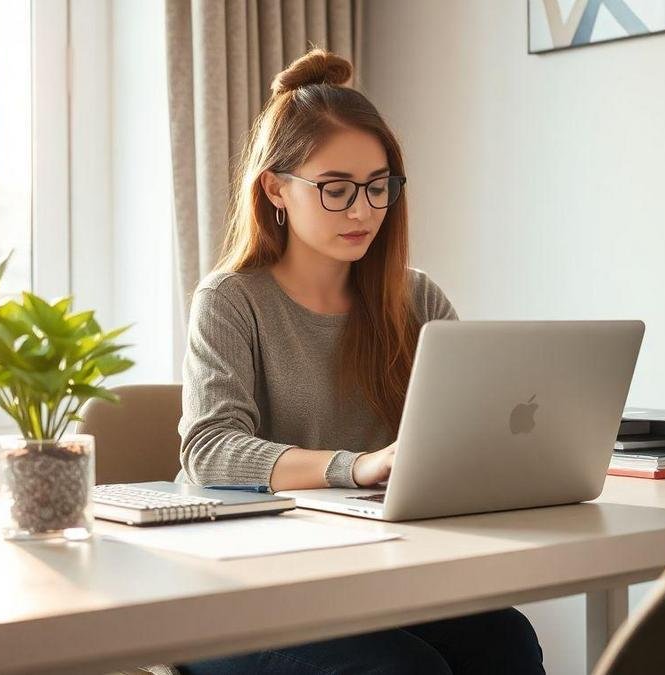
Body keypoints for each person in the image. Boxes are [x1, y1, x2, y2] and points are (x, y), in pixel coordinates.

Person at [174, 48, 544, 675]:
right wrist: (357, 467)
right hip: (240, 596)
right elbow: (208, 451)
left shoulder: (415, 297)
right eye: (336, 190)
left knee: (507, 640)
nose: (363, 210)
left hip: (374, 579)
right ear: (275, 189)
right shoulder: (232, 300)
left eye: (378, 188)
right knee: (399, 670)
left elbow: (474, 420)